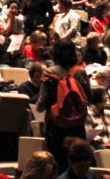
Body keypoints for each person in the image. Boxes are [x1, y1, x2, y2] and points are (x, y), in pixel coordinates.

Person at [37, 39, 91, 171]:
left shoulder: (49, 73)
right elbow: (88, 97)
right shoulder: (80, 72)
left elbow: (42, 104)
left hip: (55, 127)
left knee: (58, 165)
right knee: (77, 165)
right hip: (77, 126)